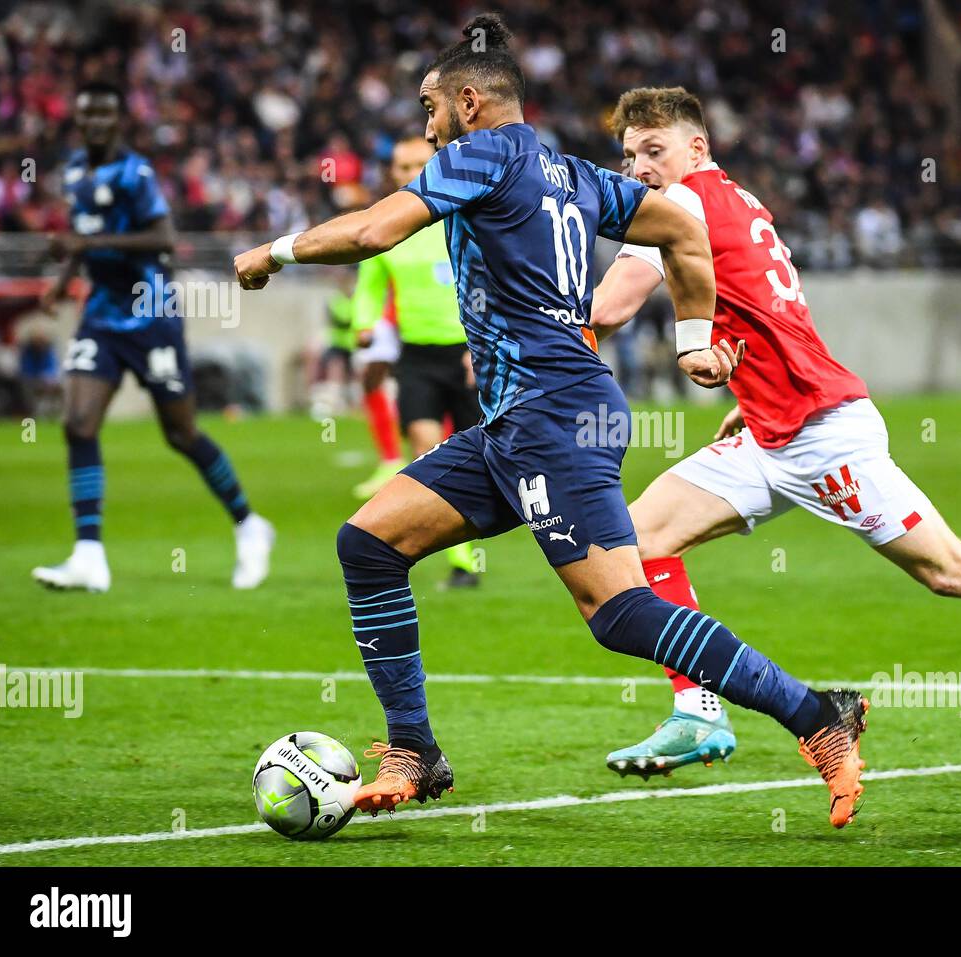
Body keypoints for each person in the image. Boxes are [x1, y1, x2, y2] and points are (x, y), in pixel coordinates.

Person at [234, 16, 874, 829]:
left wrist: (273, 252)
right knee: (368, 542)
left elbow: (370, 231)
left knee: (621, 614)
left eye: (430, 106)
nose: (425, 125)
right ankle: (414, 750)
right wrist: (689, 339)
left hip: (556, 415)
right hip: (521, 420)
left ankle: (817, 716)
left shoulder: (478, 155)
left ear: (469, 101)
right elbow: (682, 226)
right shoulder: (570, 171)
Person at [589, 87, 961, 777]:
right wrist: (755, 394)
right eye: (630, 155)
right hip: (771, 430)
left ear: (698, 148)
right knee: (640, 539)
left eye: (653, 150)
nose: (639, 168)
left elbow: (612, 304)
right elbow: (769, 313)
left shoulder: (683, 204)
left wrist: (529, 333)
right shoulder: (740, 201)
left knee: (949, 569)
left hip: (823, 435)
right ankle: (697, 710)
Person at [33, 81, 274, 593]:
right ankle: (89, 554)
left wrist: (89, 241)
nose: (95, 124)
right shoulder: (75, 169)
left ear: (118, 121)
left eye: (104, 115)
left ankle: (250, 525)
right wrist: (60, 283)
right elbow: (84, 235)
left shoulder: (136, 172)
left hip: (150, 313)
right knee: (78, 422)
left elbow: (163, 238)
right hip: (101, 313)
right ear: (78, 122)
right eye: (87, 116)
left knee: (181, 433)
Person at [350, 136, 481, 588]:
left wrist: (481, 345)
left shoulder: (464, 219)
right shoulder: (390, 226)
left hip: (469, 354)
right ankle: (462, 561)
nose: (408, 173)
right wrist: (363, 323)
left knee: (483, 458)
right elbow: (369, 280)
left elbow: (492, 282)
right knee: (431, 455)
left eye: (417, 164)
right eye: (401, 165)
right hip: (418, 356)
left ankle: (479, 550)